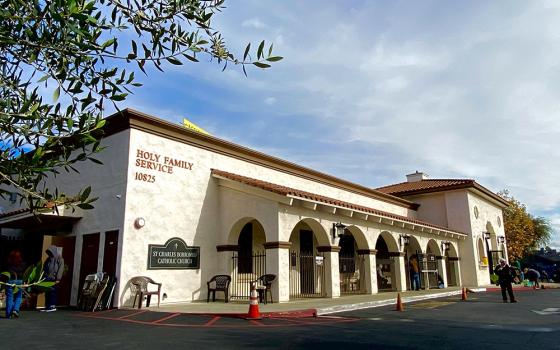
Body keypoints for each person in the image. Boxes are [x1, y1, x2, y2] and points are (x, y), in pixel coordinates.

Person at [5, 250, 26, 319]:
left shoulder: (8, 263)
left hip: (10, 280)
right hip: (19, 281)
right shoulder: (22, 264)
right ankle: (15, 310)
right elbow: (25, 273)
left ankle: (9, 314)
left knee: (10, 297)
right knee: (18, 296)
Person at [42, 246, 64, 312]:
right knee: (47, 292)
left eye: (50, 252)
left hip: (54, 279)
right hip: (47, 278)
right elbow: (44, 267)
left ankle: (52, 306)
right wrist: (43, 276)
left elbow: (61, 269)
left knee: (53, 292)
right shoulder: (48, 259)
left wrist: (58, 278)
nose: (49, 254)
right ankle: (47, 306)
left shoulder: (60, 259)